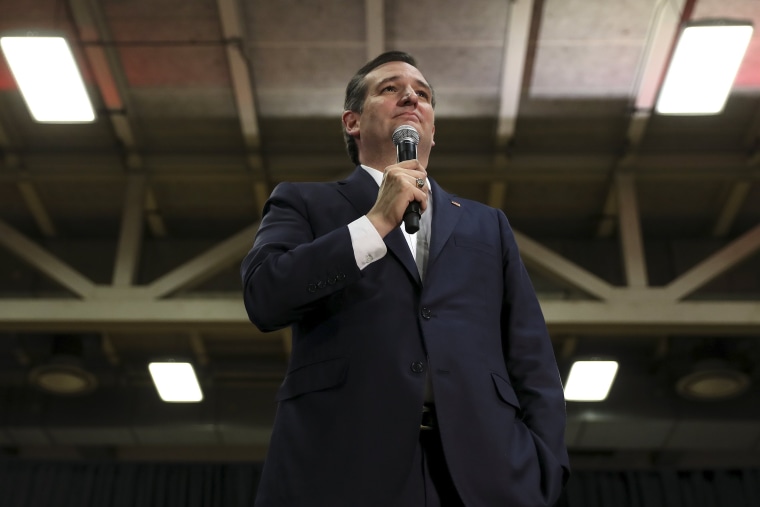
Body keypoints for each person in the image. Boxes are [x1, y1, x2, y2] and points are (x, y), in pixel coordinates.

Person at [241, 51, 569, 507]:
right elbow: (264, 296)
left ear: (433, 130)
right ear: (352, 122)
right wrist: (375, 221)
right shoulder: (303, 202)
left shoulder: (487, 224)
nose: (411, 95)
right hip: (342, 466)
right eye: (390, 88)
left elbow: (530, 354)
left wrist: (546, 465)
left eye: (423, 93)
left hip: (487, 472)